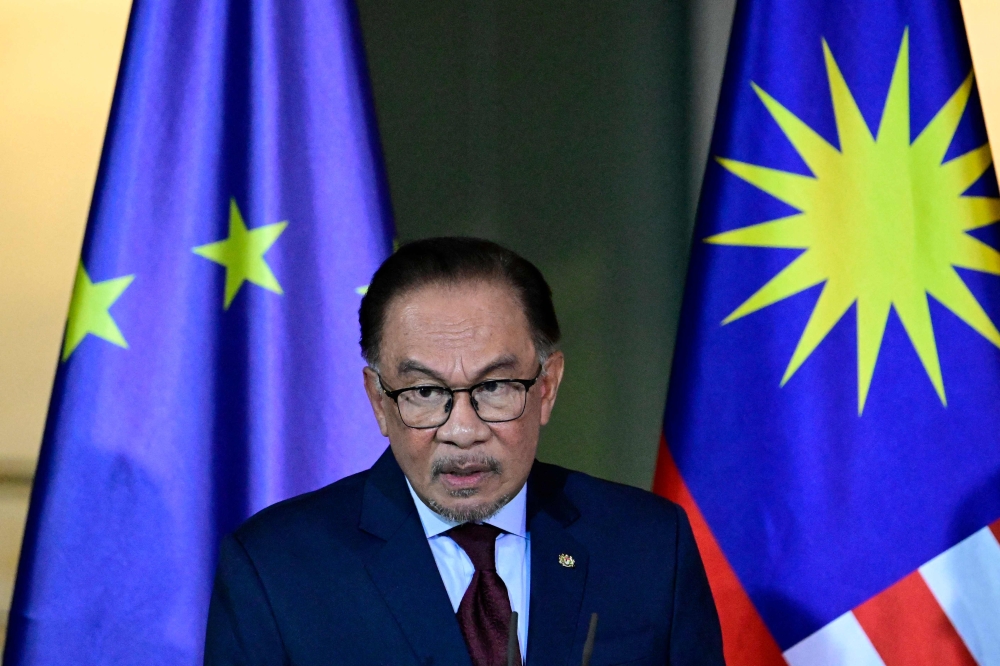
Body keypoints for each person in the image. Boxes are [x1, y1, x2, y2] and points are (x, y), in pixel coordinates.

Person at [204, 237, 724, 666]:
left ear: (546, 388)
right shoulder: (277, 572)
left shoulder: (648, 547)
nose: (463, 429)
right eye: (426, 393)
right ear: (378, 402)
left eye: (495, 387)